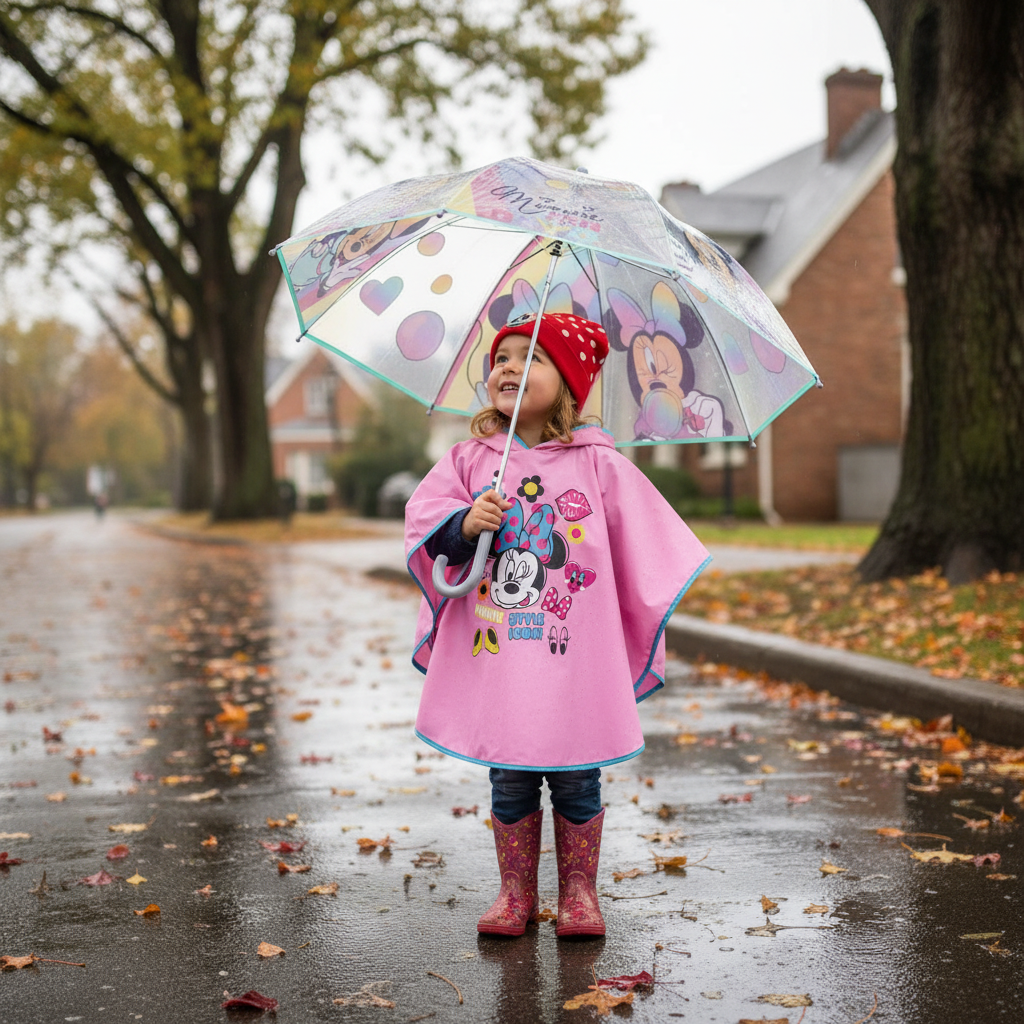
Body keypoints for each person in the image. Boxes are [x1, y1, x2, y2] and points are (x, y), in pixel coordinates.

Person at [404, 312, 710, 939]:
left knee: (576, 774)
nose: (509, 368)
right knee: (510, 773)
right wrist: (464, 525)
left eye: (530, 358)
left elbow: (648, 541)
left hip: (573, 660)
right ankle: (515, 894)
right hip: (502, 656)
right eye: (502, 359)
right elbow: (427, 525)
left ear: (569, 383)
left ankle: (579, 895)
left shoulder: (598, 466)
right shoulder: (469, 461)